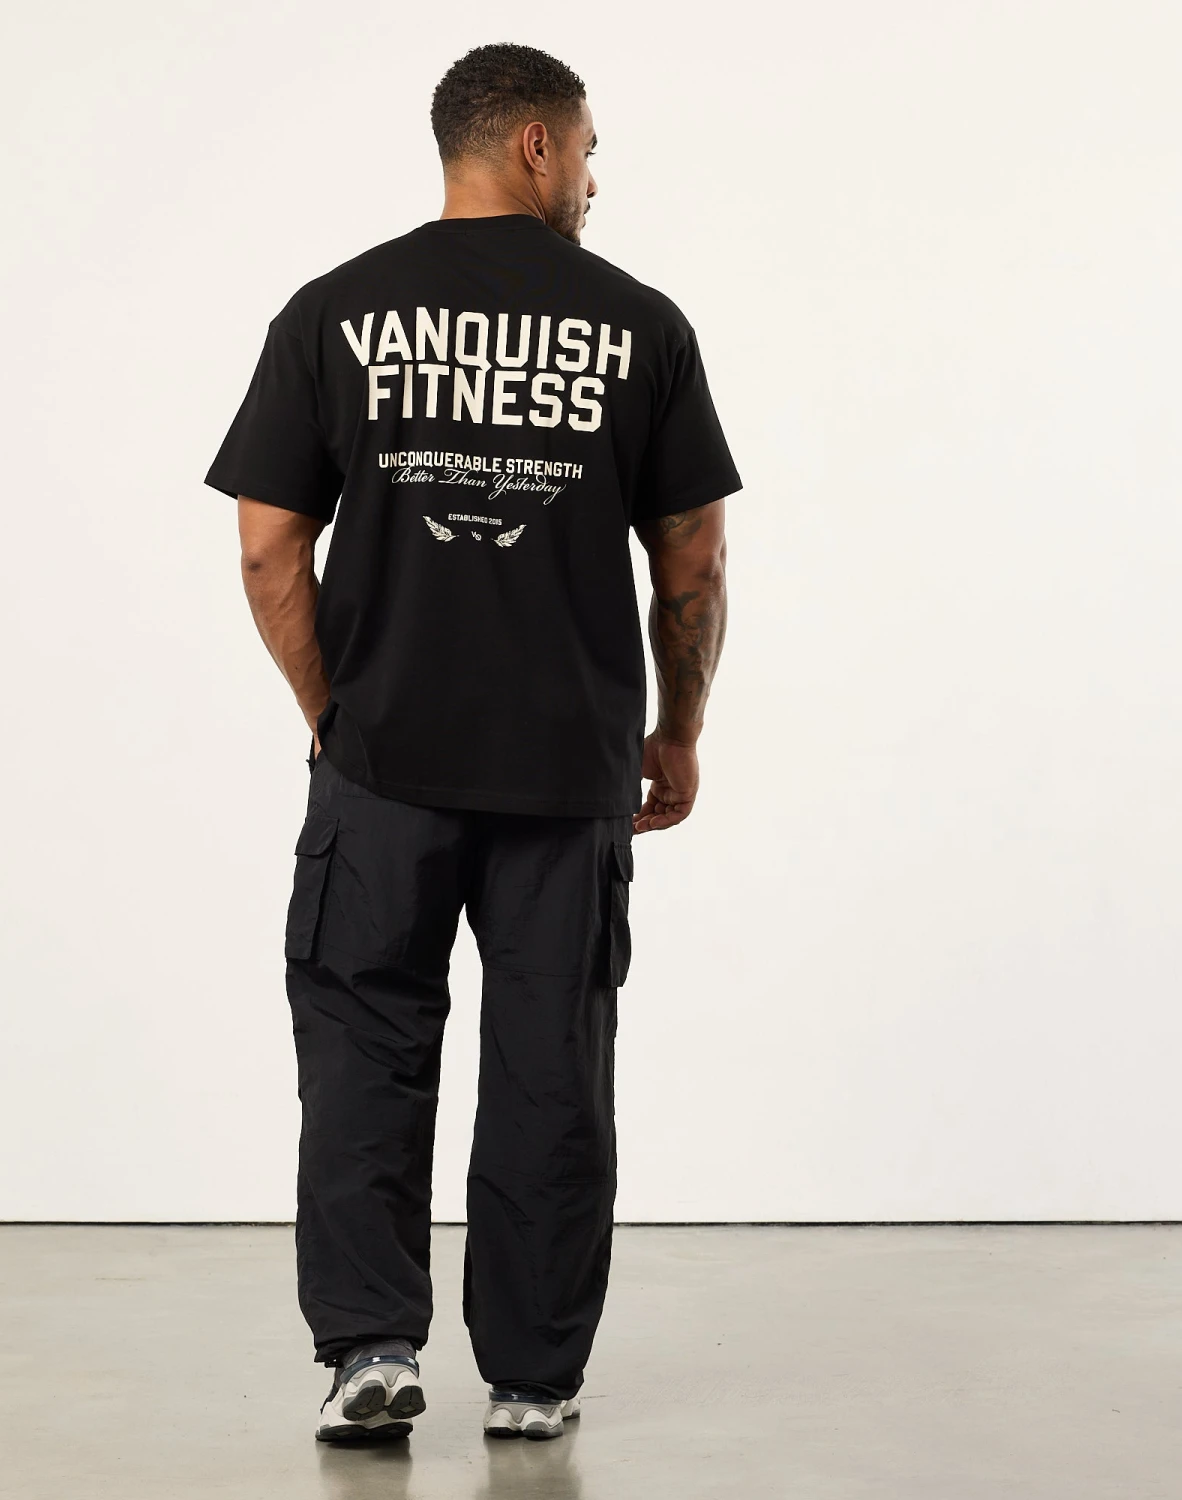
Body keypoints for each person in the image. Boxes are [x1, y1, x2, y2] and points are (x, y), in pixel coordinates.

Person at [204, 42, 741, 1443]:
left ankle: (370, 1350)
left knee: (364, 1049)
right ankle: (534, 1379)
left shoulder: (335, 311)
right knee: (552, 1067)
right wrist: (677, 731)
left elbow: (266, 548)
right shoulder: (642, 326)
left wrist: (334, 715)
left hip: (382, 766)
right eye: (589, 150)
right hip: (569, 772)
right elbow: (691, 563)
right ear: (536, 147)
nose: (595, 179)